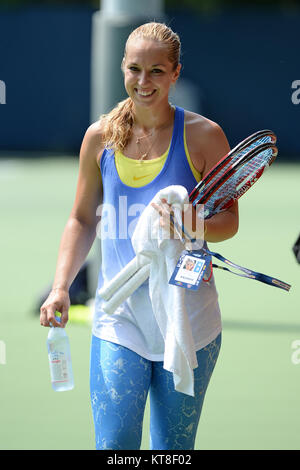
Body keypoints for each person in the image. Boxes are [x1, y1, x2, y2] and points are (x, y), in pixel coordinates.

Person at [40, 22, 239, 450]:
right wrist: (60, 287)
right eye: (134, 69)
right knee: (114, 446)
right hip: (120, 319)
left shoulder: (205, 136)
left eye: (156, 70)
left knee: (172, 451)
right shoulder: (99, 139)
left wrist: (191, 220)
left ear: (175, 73)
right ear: (122, 69)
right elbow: (81, 219)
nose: (143, 82)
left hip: (191, 321)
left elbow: (229, 223)